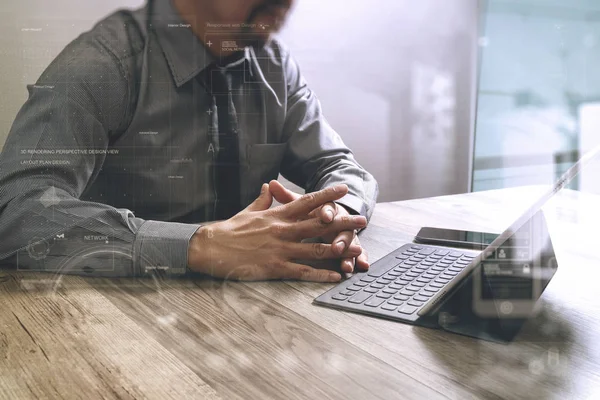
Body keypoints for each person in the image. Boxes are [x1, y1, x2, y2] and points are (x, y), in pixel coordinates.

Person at [0, 0, 378, 282]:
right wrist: (198, 244)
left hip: (253, 323)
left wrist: (336, 214)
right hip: (120, 323)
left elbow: (339, 167)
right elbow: (16, 211)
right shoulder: (103, 64)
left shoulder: (274, 66)